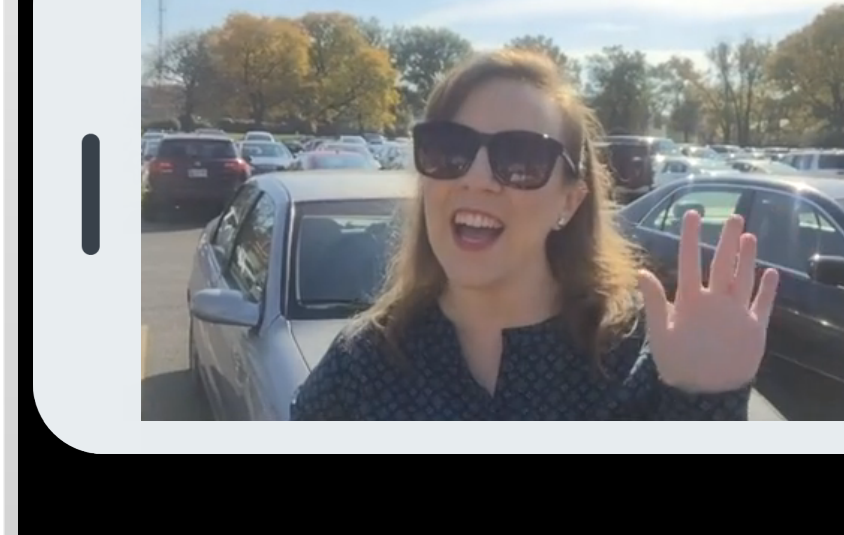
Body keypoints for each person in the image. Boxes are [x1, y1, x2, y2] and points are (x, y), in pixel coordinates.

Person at [290, 48, 779, 420]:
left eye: (521, 159)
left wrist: (706, 403)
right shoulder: (361, 366)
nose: (477, 178)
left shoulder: (649, 359)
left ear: (570, 200)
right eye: (449, 148)